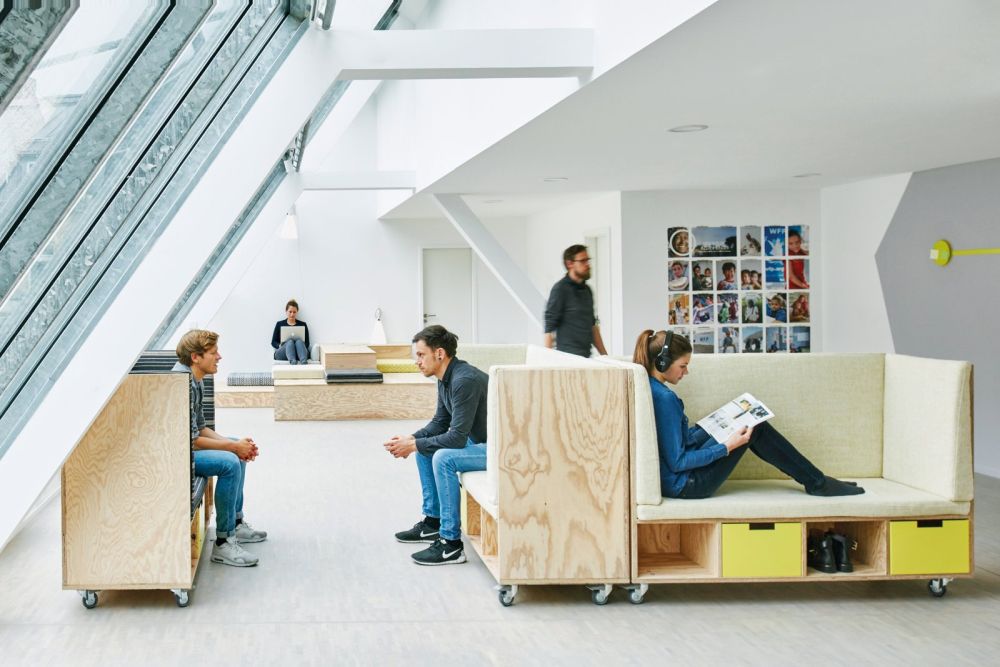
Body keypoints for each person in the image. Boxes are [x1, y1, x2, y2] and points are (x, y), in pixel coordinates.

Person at [632, 329, 864, 499]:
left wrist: (719, 421)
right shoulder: (665, 398)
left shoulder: (650, 386)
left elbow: (678, 442)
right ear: (662, 363)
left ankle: (817, 481)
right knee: (756, 427)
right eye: (682, 366)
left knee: (744, 418)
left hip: (680, 477)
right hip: (689, 484)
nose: (686, 372)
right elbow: (678, 461)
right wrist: (727, 446)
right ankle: (818, 483)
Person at [384, 325, 488, 566]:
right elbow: (441, 422)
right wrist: (410, 440)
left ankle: (451, 545)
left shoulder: (464, 380)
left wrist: (415, 445)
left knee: (442, 457)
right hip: (480, 441)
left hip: (502, 449)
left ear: (439, 354)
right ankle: (433, 522)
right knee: (425, 451)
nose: (417, 361)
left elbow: (457, 438)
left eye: (421, 355)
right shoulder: (445, 379)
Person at [175, 330, 267, 567]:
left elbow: (201, 428)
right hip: (177, 455)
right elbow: (191, 441)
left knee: (236, 452)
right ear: (196, 357)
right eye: (214, 353)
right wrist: (232, 448)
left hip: (188, 447)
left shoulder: (195, 380)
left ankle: (235, 523)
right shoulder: (182, 385)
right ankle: (224, 543)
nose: (220, 357)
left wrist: (236, 445)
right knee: (230, 462)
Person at [544, 244, 608, 357]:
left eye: (588, 260)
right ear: (570, 264)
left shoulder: (587, 290)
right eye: (583, 261)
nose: (588, 264)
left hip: (586, 358)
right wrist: (547, 364)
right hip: (567, 360)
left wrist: (606, 356)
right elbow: (549, 329)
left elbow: (593, 327)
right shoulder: (560, 289)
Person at [271, 299, 311, 364]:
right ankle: (293, 362)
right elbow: (273, 342)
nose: (292, 314)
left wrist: (297, 347)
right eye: (290, 312)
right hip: (284, 353)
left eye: (294, 312)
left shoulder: (303, 325)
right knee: (290, 342)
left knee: (299, 342)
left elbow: (307, 343)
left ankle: (304, 362)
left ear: (297, 312)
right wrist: (280, 345)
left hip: (300, 353)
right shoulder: (279, 324)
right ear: (286, 311)